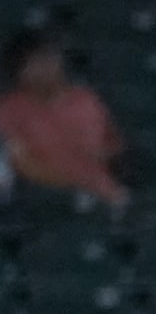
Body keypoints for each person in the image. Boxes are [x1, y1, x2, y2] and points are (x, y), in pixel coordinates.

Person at [0, 29, 129, 214]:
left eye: (49, 58)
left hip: (92, 193)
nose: (47, 67)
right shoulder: (9, 109)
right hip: (35, 198)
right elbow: (25, 164)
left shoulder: (87, 100)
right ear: (20, 72)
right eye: (36, 63)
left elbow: (111, 147)